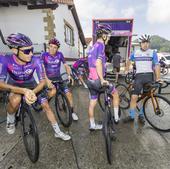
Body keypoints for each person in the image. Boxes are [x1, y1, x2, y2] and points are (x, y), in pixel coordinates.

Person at [0, 33, 70, 141]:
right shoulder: (5, 60)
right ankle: (10, 120)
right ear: (15, 50)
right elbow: (1, 84)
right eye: (27, 51)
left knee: (46, 105)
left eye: (32, 49)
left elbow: (42, 82)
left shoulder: (36, 60)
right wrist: (23, 91)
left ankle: (58, 132)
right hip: (15, 84)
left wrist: (32, 92)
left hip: (31, 84)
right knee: (15, 100)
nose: (31, 54)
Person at [87, 24, 120, 130]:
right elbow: (98, 63)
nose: (109, 37)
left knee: (92, 103)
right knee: (115, 93)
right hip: (97, 80)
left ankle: (92, 125)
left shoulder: (93, 47)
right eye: (108, 35)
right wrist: (102, 79)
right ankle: (116, 118)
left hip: (90, 81)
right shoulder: (101, 46)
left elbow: (94, 63)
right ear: (104, 35)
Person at [124, 34, 160, 124]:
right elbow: (128, 60)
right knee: (134, 97)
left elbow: (156, 65)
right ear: (140, 43)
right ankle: (131, 116)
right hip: (139, 76)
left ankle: (141, 115)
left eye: (147, 42)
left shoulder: (152, 52)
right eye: (144, 42)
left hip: (149, 76)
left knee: (146, 97)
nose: (146, 44)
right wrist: (126, 69)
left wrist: (158, 78)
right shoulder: (135, 53)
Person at [41, 38, 79, 121]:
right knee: (53, 92)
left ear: (57, 48)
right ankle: (44, 102)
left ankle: (72, 112)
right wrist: (46, 79)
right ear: (48, 47)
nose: (52, 49)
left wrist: (69, 75)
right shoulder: (44, 55)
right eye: (51, 46)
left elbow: (66, 66)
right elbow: (42, 68)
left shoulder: (60, 54)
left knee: (68, 94)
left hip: (58, 77)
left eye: (55, 47)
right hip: (48, 78)